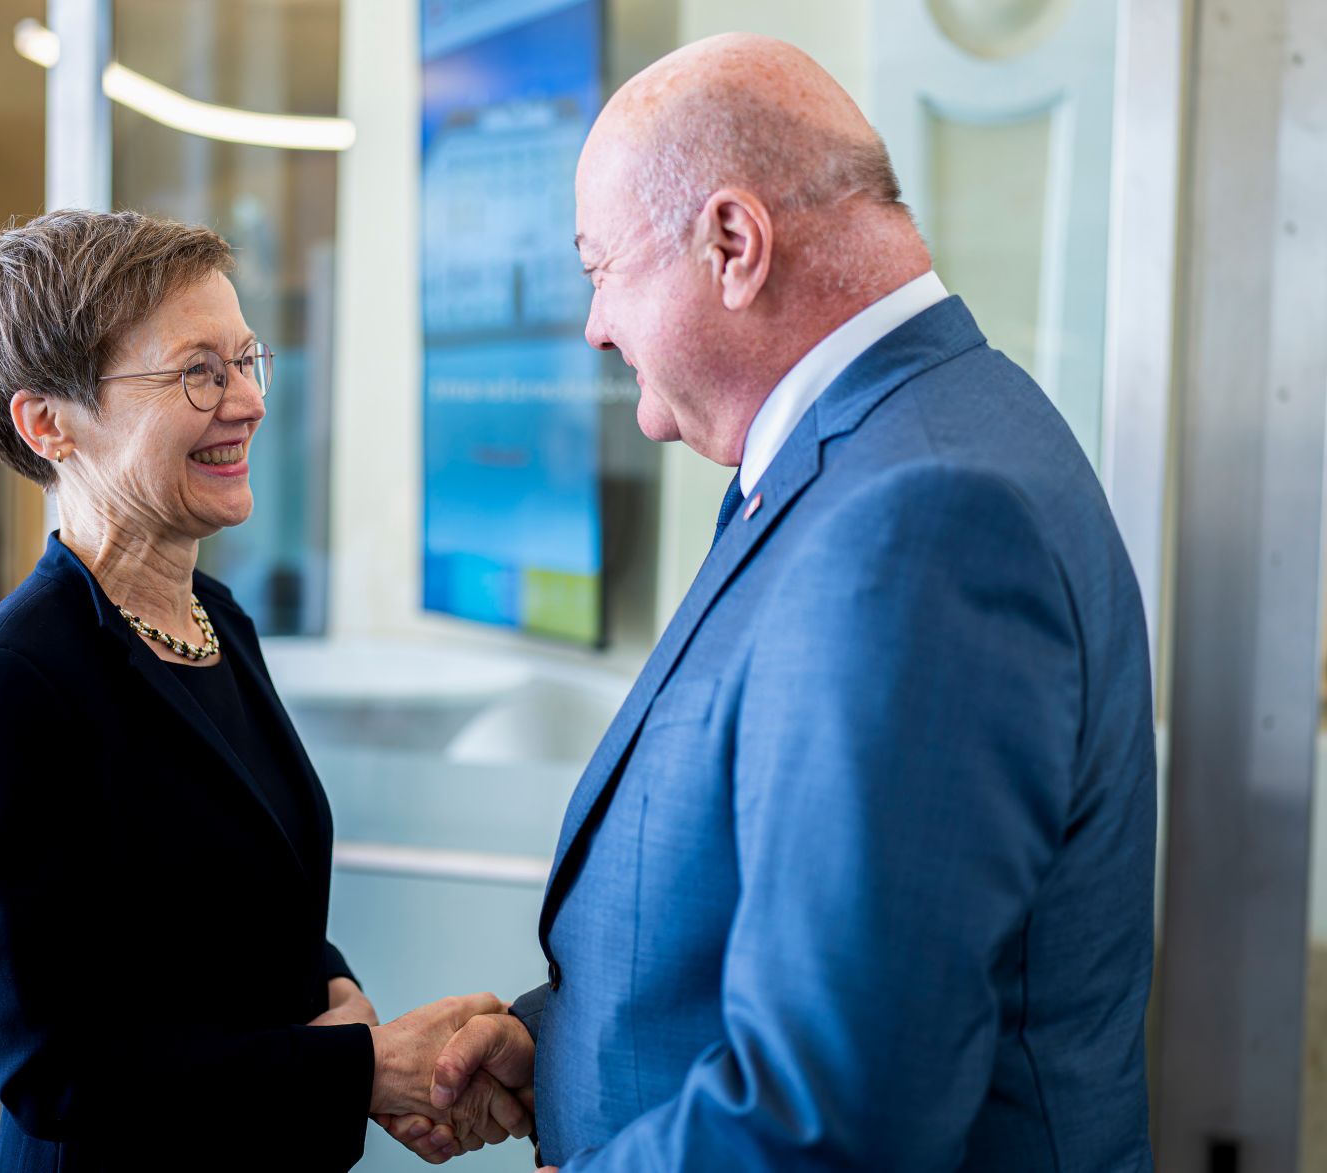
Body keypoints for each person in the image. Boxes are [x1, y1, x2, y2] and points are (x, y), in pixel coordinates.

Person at [390, 33, 1157, 1171]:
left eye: (599, 267)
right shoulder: (876, 449)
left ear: (732, 244)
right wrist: (567, 1053)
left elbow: (839, 1110)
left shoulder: (919, 520)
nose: (593, 325)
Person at [0, 210, 531, 1171]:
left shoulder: (217, 618)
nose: (247, 400)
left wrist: (347, 1007)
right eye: (198, 372)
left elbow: (249, 909)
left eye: (248, 358)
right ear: (49, 423)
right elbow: (57, 1069)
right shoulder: (15, 679)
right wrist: (361, 1069)